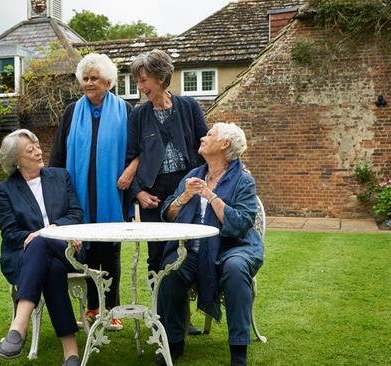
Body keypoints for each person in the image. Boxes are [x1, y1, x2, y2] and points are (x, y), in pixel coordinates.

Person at [156, 123, 264, 366]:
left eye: (210, 134)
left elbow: (241, 223)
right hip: (193, 248)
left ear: (225, 144)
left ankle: (238, 350)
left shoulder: (243, 181)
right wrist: (184, 196)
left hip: (234, 247)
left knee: (236, 269)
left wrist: (211, 196)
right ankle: (173, 343)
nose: (203, 137)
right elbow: (167, 213)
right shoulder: (194, 174)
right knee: (171, 269)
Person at [50, 53, 136, 331]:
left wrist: (130, 172)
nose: (88, 83)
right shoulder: (71, 112)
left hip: (113, 195)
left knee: (109, 251)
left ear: (108, 82)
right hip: (78, 197)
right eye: (85, 78)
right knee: (83, 253)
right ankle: (90, 308)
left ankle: (111, 310)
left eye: (94, 78)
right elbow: (58, 157)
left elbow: (137, 152)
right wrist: (58, 192)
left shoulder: (126, 111)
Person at [0, 129, 83, 366]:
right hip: (25, 256)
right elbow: (11, 234)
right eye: (29, 150)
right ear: (15, 161)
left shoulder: (60, 176)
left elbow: (75, 214)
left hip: (66, 249)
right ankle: (71, 353)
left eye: (37, 146)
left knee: (42, 241)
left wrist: (49, 231)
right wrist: (38, 236)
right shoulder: (5, 191)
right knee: (51, 268)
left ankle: (18, 327)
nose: (38, 151)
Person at [127, 48, 208, 278]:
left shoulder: (188, 107)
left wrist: (233, 165)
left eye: (144, 81)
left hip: (186, 186)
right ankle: (156, 310)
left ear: (161, 78)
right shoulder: (139, 115)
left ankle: (178, 308)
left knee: (187, 250)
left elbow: (206, 143)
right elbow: (129, 157)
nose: (140, 88)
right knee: (156, 254)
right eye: (138, 82)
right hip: (153, 194)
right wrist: (138, 194)